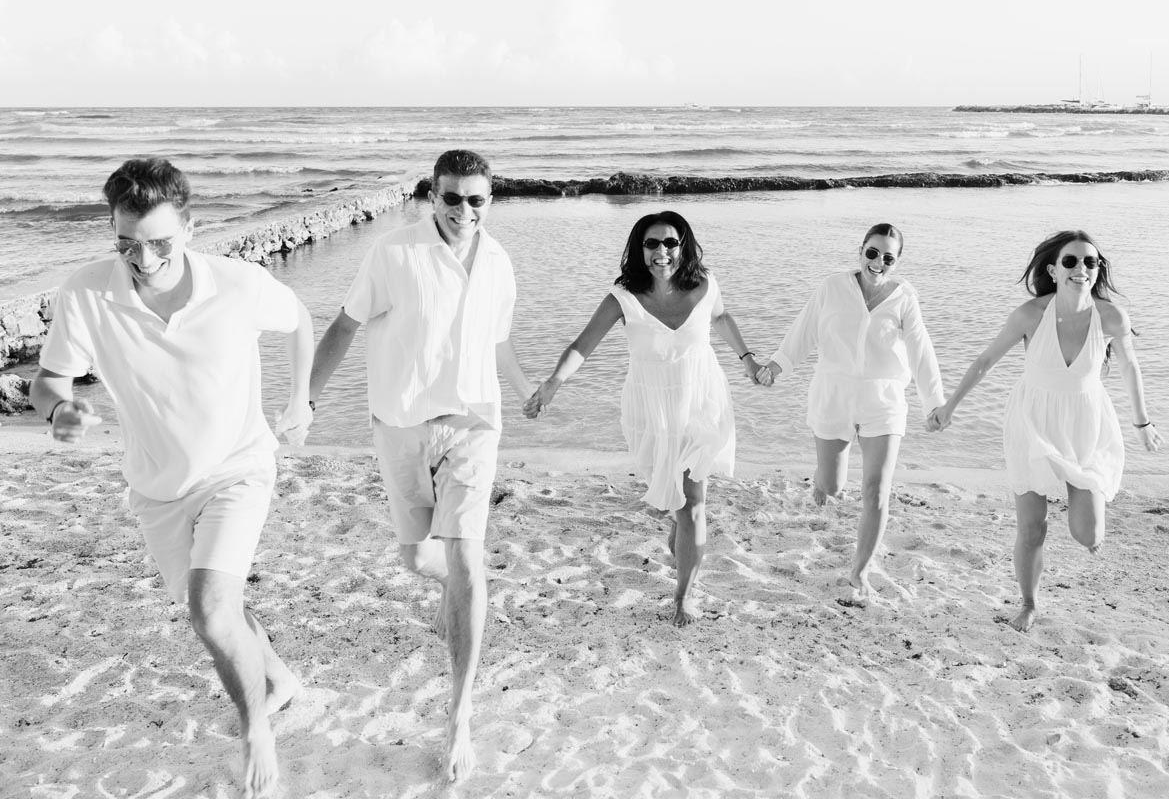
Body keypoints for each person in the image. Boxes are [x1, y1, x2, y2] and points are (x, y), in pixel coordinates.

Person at [30, 158, 314, 798]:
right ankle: (279, 679)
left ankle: (256, 731)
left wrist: (302, 397)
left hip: (238, 466)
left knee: (210, 611)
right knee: (221, 608)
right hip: (156, 486)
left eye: (160, 243)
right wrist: (59, 410)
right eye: (127, 244)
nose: (144, 259)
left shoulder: (238, 284)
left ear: (190, 227)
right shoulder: (87, 292)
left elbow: (298, 318)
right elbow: (49, 381)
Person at [308, 149, 535, 783]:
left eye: (476, 199)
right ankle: (460, 591)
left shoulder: (499, 261)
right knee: (416, 559)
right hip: (401, 423)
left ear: (491, 201)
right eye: (452, 197)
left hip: (474, 423)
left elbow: (498, 342)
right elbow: (345, 326)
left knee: (466, 558)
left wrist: (527, 391)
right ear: (431, 196)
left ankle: (459, 715)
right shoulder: (393, 253)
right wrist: (306, 398)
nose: (464, 210)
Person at [523, 210, 760, 627]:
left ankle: (684, 596)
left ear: (683, 247)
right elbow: (582, 345)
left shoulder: (705, 285)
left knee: (693, 502)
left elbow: (721, 317)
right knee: (676, 499)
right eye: (652, 243)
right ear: (640, 249)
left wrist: (748, 360)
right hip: (652, 410)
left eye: (670, 242)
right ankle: (681, 533)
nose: (661, 251)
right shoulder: (624, 297)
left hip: (702, 400)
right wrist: (553, 382)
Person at [927, 230, 1162, 632]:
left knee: (1087, 534)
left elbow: (1129, 368)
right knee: (1032, 528)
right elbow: (985, 360)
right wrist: (949, 407)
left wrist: (1142, 423)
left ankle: (1088, 526)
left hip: (1086, 422)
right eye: (1070, 261)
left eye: (1090, 262)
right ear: (1053, 270)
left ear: (1097, 270)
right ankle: (1029, 603)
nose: (1081, 268)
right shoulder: (1030, 315)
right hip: (1031, 419)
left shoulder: (1111, 317)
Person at [755, 223, 944, 607]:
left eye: (888, 257)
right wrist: (776, 366)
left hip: (883, 401)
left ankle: (860, 570)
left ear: (897, 261)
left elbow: (921, 351)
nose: (878, 262)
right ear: (860, 251)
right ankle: (821, 481)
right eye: (872, 253)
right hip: (833, 395)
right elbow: (803, 332)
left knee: (876, 490)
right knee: (832, 486)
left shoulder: (905, 297)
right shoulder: (832, 287)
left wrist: (934, 403)